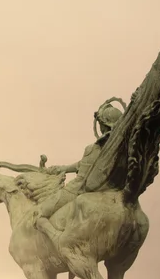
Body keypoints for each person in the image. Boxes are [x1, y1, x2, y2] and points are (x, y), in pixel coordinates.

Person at [34, 98, 125, 234]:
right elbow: (83, 164)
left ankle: (57, 240)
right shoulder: (119, 150)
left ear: (104, 124)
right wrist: (62, 168)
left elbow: (82, 177)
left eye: (100, 123)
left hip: (78, 189)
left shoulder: (93, 148)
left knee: (39, 214)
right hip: (109, 191)